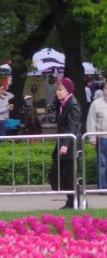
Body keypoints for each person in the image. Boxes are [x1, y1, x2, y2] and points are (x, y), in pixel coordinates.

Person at [50, 77, 81, 209]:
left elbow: (72, 127)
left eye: (60, 89)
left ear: (68, 90)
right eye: (57, 90)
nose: (58, 92)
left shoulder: (72, 104)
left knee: (68, 174)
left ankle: (74, 202)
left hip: (69, 145)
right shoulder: (63, 104)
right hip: (63, 143)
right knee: (57, 174)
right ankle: (71, 201)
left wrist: (65, 144)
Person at [86, 83, 107, 189]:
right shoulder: (96, 104)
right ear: (104, 90)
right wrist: (92, 138)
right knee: (102, 164)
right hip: (102, 139)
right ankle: (103, 187)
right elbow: (91, 121)